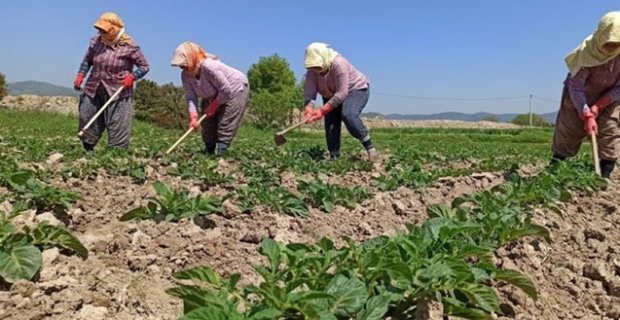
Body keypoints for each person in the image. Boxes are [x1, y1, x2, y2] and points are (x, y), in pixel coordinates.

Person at [552, 11, 620, 185]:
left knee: (609, 128)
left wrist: (599, 106)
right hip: (579, 93)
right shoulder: (585, 53)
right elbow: (576, 87)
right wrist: (587, 114)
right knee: (570, 128)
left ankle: (605, 174)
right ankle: (555, 168)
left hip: (609, 96)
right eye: (608, 43)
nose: (611, 48)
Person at [73, 12, 150, 151]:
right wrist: (81, 74)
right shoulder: (96, 42)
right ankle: (88, 147)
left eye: (104, 30)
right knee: (87, 114)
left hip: (118, 89)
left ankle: (116, 153)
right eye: (99, 29)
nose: (100, 32)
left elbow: (145, 66)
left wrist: (132, 77)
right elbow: (87, 60)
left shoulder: (129, 46)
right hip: (94, 85)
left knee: (117, 121)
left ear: (113, 29)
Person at [171, 41, 250, 157]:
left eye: (183, 64)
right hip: (212, 95)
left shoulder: (209, 66)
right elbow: (190, 96)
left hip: (235, 89)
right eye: (180, 65)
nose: (181, 67)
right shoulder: (185, 75)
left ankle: (222, 153)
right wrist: (193, 117)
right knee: (207, 123)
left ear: (191, 58)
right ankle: (209, 151)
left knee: (225, 122)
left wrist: (214, 106)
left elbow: (225, 89)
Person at [302, 42, 378, 162]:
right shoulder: (311, 73)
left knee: (349, 114)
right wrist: (308, 110)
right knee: (331, 124)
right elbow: (310, 94)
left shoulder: (339, 64)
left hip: (355, 90)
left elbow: (342, 93)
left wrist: (322, 111)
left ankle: (370, 149)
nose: (316, 71)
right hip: (330, 94)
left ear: (324, 58)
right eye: (313, 67)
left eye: (318, 67)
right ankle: (334, 157)